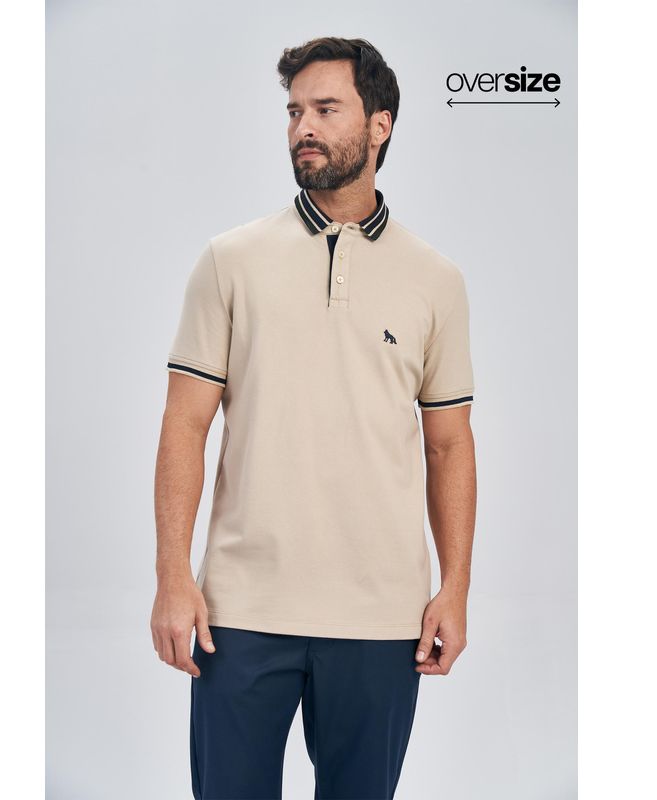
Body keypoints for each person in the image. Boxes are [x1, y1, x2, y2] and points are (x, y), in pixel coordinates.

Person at [152, 35, 477, 800]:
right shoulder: (230, 260)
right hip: (240, 611)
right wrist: (173, 576)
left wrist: (455, 588)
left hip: (382, 617)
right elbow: (184, 425)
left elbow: (449, 446)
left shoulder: (436, 280)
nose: (303, 126)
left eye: (326, 109)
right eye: (295, 110)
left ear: (380, 125)